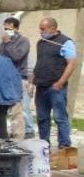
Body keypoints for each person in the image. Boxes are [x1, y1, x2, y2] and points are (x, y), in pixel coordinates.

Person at [33, 17, 77, 149]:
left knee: (60, 117)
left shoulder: (65, 42)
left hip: (56, 87)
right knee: (42, 118)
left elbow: (72, 63)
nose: (40, 31)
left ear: (52, 28)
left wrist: (61, 82)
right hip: (41, 86)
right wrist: (33, 78)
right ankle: (44, 145)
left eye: (43, 29)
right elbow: (40, 62)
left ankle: (64, 145)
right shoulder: (41, 42)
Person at [0, 17, 36, 139]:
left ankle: (29, 130)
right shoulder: (3, 43)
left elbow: (17, 57)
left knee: (23, 106)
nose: (5, 31)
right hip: (7, 77)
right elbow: (3, 60)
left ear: (15, 28)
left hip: (20, 77)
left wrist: (8, 42)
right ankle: (14, 130)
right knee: (10, 107)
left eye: (8, 29)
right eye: (4, 28)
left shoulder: (23, 41)